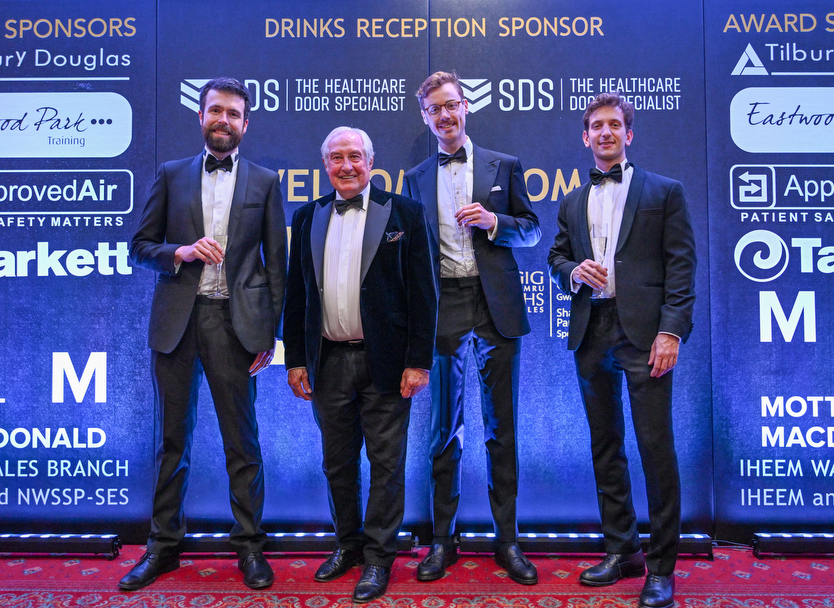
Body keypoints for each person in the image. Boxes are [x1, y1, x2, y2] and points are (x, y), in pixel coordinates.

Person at [124, 77, 286, 591]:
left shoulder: (265, 181)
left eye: (233, 113)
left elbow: (276, 265)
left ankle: (250, 548)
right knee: (171, 440)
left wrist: (270, 333)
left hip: (236, 327)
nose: (224, 120)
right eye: (216, 110)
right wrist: (180, 252)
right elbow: (139, 246)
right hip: (177, 322)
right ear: (200, 116)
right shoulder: (171, 175)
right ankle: (163, 547)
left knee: (243, 442)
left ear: (245, 124)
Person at [547, 92, 695, 608]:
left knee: (656, 448)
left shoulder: (664, 191)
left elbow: (681, 267)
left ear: (628, 134)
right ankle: (622, 550)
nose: (605, 132)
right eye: (596, 125)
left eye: (614, 124)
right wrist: (573, 271)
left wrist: (671, 332)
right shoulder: (571, 200)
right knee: (605, 446)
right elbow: (556, 256)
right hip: (592, 331)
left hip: (646, 335)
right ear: (585, 136)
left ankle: (662, 567)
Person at [283, 126, 437, 604]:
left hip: (387, 362)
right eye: (336, 157)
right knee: (337, 463)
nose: (346, 165)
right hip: (327, 360)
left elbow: (425, 294)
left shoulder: (405, 213)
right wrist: (295, 359)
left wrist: (418, 361)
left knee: (386, 465)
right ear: (325, 164)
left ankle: (378, 558)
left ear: (371, 162)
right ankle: (347, 546)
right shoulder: (307, 216)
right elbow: (296, 293)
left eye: (354, 156)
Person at [404, 70, 541, 585]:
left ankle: (508, 541)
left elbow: (532, 231)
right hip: (444, 306)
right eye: (434, 109)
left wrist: (494, 223)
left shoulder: (504, 165)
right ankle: (443, 541)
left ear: (466, 107)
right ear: (425, 117)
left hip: (495, 305)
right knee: (444, 430)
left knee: (502, 429)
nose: (445, 115)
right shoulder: (415, 177)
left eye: (451, 105)